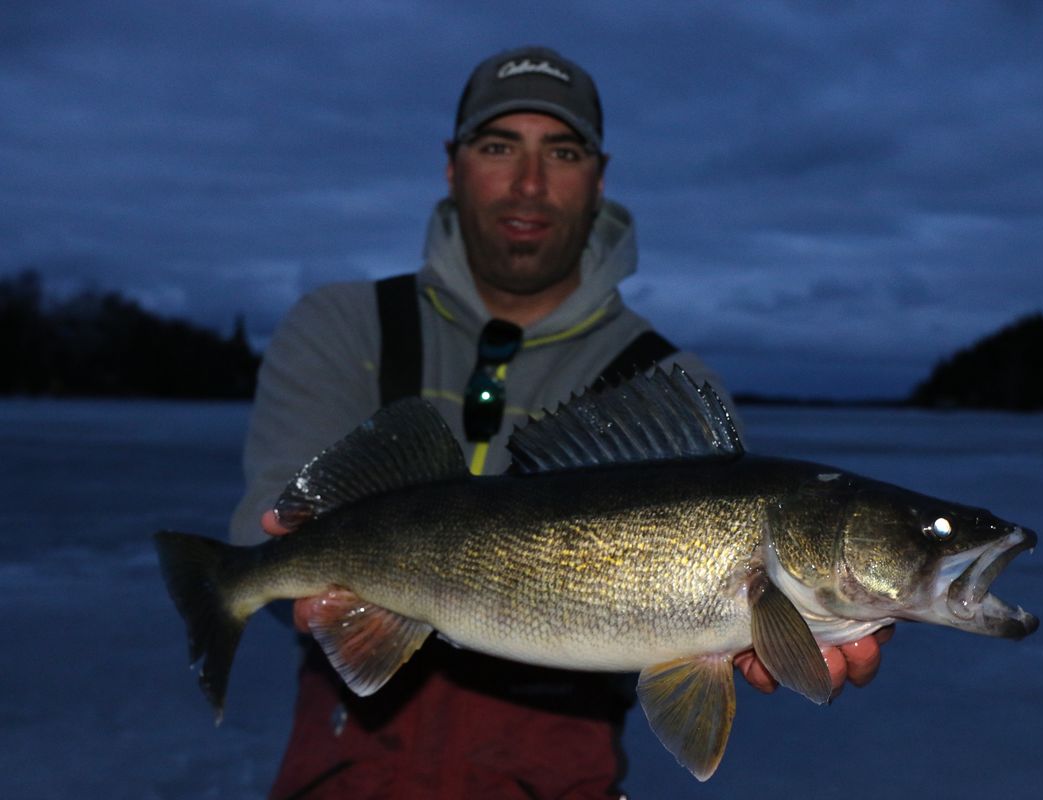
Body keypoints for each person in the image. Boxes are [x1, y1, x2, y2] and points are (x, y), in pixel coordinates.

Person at [230, 45, 890, 799]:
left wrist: (790, 628)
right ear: (452, 165)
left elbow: (732, 634)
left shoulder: (669, 387)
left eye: (563, 152)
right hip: (344, 766)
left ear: (599, 178)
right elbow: (270, 529)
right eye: (498, 147)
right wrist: (286, 567)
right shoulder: (342, 326)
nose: (530, 183)